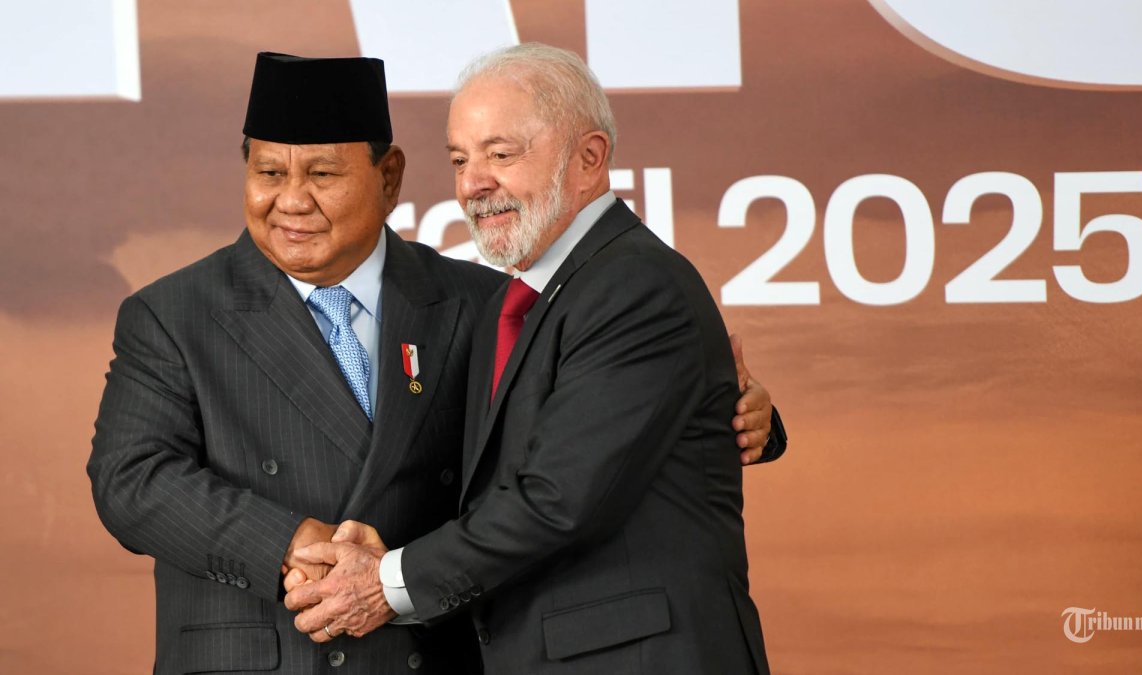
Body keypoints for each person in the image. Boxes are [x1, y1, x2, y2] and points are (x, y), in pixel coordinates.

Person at [88, 51, 783, 674]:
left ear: (389, 178)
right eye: (268, 172)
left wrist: (728, 411)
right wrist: (291, 544)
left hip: (430, 652)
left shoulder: (481, 300)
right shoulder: (171, 313)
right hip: (270, 651)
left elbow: (560, 456)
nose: (291, 200)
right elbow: (130, 478)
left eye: (322, 173)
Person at [285, 44, 772, 674]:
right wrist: (374, 546)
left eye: (500, 154)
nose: (472, 184)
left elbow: (557, 499)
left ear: (589, 158)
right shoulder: (509, 303)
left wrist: (387, 581)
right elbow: (488, 480)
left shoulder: (636, 287)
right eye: (460, 159)